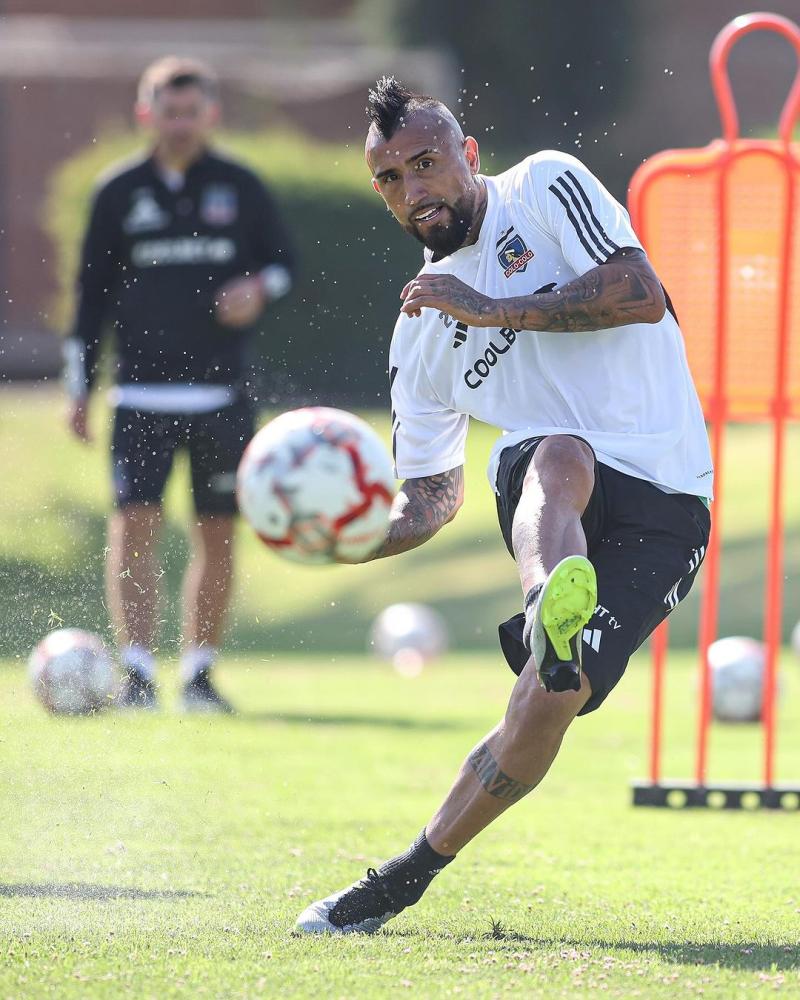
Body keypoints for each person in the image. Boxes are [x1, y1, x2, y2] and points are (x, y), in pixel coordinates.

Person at [295, 77, 713, 933]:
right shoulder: (419, 329)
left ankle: (404, 878)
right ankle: (547, 610)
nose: (413, 192)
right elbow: (431, 498)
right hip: (558, 494)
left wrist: (494, 311)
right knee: (555, 451)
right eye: (389, 180)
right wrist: (339, 540)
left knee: (548, 704)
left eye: (426, 163)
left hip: (672, 499)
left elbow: (639, 290)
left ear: (468, 156)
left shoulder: (545, 184)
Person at [64, 57, 296, 712]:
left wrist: (260, 287)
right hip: (139, 395)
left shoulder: (241, 186)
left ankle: (198, 674)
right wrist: (78, 388)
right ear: (148, 114)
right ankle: (137, 672)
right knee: (134, 528)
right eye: (169, 110)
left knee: (216, 533)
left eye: (192, 111)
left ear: (210, 115)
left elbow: (285, 265)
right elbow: (89, 298)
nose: (181, 122)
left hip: (221, 395)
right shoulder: (118, 191)